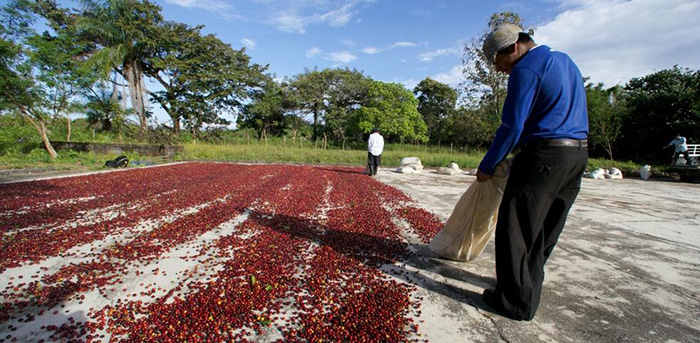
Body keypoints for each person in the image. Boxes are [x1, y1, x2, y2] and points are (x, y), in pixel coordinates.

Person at [475, 23, 589, 321]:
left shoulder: (526, 69)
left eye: (497, 61)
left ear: (513, 48)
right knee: (545, 228)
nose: (499, 69)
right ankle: (527, 284)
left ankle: (514, 302)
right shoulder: (565, 61)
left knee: (517, 226)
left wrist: (488, 165)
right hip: (576, 155)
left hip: (544, 156)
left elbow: (512, 125)